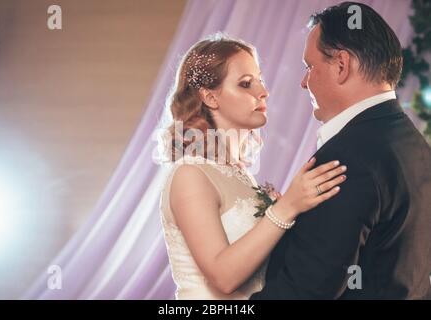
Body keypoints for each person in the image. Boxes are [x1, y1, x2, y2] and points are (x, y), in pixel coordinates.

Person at [251, 2, 431, 300]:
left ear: (341, 65)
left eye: (309, 67)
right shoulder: (416, 146)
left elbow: (307, 291)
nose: (303, 82)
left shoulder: (345, 159)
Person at [159, 33, 347, 299]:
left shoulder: (241, 174)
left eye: (259, 79)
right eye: (246, 84)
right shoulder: (190, 174)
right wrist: (286, 207)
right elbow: (223, 278)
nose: (263, 91)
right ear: (210, 98)